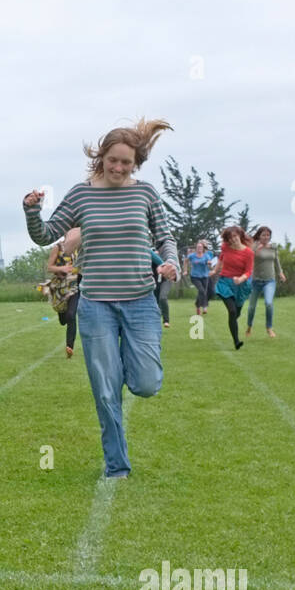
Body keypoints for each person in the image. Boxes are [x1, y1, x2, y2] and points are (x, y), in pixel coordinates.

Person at [24, 117, 178, 479]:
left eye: (127, 162)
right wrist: (32, 210)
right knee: (106, 391)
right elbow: (45, 235)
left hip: (141, 301)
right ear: (101, 157)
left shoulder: (145, 194)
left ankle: (121, 364)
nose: (119, 168)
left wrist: (171, 262)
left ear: (135, 163)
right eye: (114, 160)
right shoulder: (81, 195)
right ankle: (116, 464)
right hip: (95, 306)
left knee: (145, 383)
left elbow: (165, 238)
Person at [43, 227, 82, 357]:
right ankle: (62, 315)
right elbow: (49, 267)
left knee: (71, 315)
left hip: (74, 286)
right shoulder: (58, 248)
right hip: (60, 287)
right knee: (63, 319)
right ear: (66, 233)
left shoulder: (80, 248)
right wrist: (63, 268)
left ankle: (69, 346)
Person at [212, 226, 253, 349]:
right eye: (230, 238)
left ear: (240, 235)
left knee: (236, 313)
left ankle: (232, 322)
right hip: (225, 282)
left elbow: (249, 271)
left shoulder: (248, 253)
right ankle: (236, 342)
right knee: (232, 311)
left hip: (241, 284)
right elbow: (221, 258)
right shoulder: (225, 247)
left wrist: (240, 279)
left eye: (235, 236)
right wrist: (215, 271)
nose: (233, 239)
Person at [245, 226, 286, 339]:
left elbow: (276, 261)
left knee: (268, 303)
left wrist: (280, 273)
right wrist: (256, 248)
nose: (266, 237)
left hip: (270, 280)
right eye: (263, 235)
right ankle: (249, 326)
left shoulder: (273, 247)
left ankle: (269, 327)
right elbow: (248, 257)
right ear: (259, 236)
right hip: (256, 281)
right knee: (252, 307)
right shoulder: (254, 246)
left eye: (268, 235)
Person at [183, 239, 214, 317]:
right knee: (202, 291)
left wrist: (209, 264)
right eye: (198, 247)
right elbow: (185, 261)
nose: (199, 248)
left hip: (205, 276)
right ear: (196, 248)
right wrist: (185, 270)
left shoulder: (206, 256)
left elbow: (209, 265)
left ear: (203, 248)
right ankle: (204, 307)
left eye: (201, 247)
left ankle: (197, 305)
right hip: (195, 277)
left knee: (203, 292)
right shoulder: (192, 255)